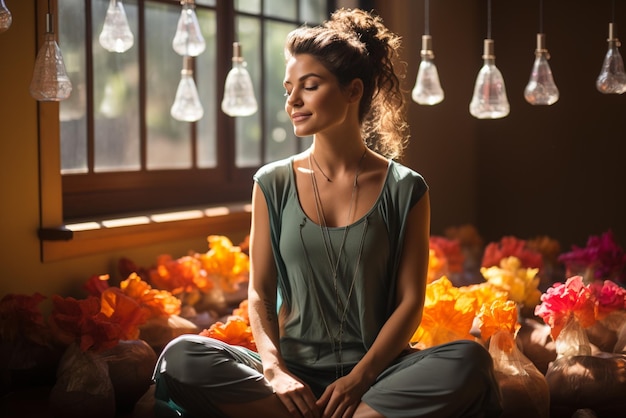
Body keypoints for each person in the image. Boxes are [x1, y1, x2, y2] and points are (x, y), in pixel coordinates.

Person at [152, 8, 502, 418]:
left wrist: (360, 379)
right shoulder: (272, 183)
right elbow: (260, 292)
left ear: (353, 91)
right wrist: (274, 369)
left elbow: (410, 302)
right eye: (288, 89)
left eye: (310, 86)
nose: (293, 101)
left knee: (469, 362)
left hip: (379, 376)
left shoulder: (406, 188)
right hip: (291, 378)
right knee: (182, 355)